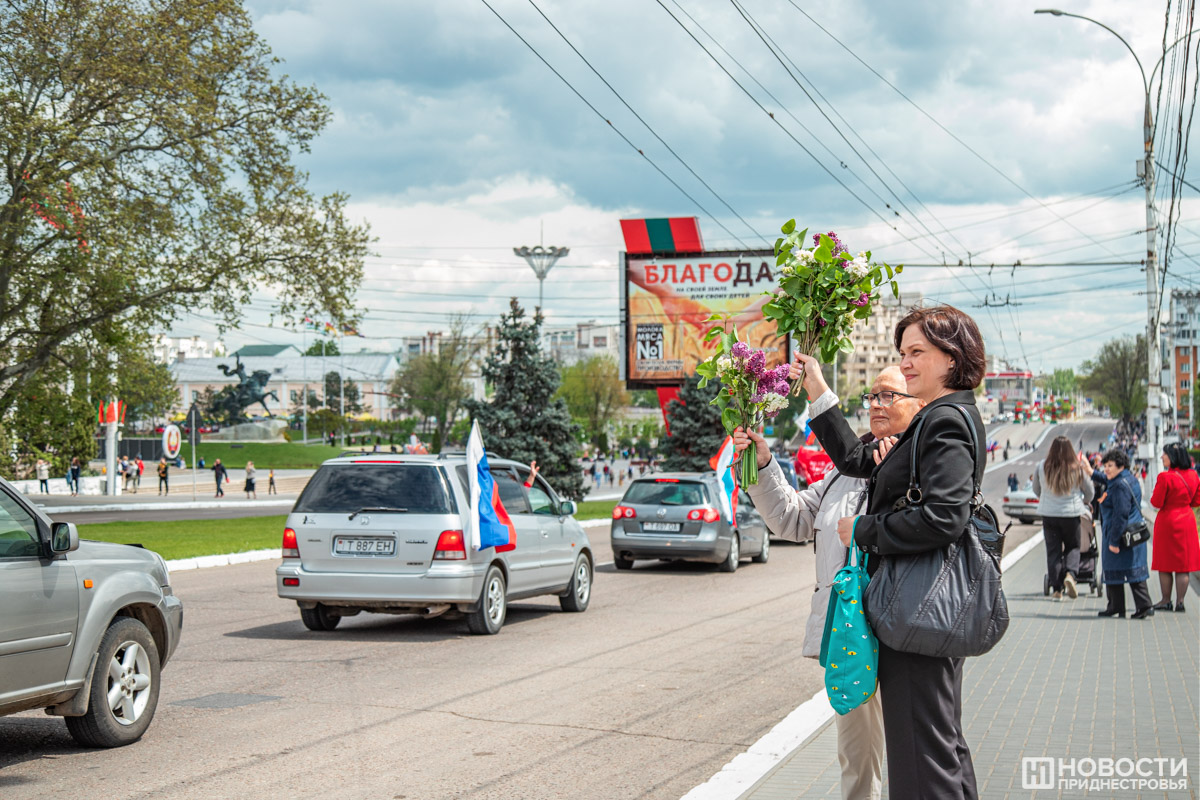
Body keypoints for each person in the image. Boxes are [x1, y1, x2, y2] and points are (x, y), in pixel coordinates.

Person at [796, 303, 987, 799]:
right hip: (919, 612)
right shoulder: (940, 419)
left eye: (916, 352)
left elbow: (946, 516)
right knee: (938, 747)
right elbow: (862, 459)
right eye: (903, 351)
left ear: (951, 357)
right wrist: (817, 384)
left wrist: (863, 529)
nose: (904, 362)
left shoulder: (944, 420)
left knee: (921, 756)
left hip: (919, 612)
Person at [733, 366, 924, 800]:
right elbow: (793, 519)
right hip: (851, 636)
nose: (876, 404)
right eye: (872, 397)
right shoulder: (845, 471)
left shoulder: (920, 464)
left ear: (919, 405)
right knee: (857, 760)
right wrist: (763, 464)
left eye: (888, 396)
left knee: (915, 755)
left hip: (901, 635)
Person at [1033, 437, 1094, 600]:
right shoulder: (1077, 469)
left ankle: (1057, 589)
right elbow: (1090, 492)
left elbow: (1036, 490)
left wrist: (1046, 499)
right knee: (1072, 547)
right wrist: (1084, 500)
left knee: (1053, 551)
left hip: (1049, 515)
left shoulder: (1042, 467)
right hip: (1071, 514)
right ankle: (1071, 575)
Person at [1095, 449, 1154, 619]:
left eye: (1110, 466)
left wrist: (1113, 541)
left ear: (1120, 466)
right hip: (1131, 534)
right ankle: (1120, 606)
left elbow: (1121, 514)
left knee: (1120, 570)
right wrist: (1090, 471)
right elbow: (1104, 478)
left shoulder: (1120, 485)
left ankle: (1132, 606)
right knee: (1131, 571)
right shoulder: (1128, 478)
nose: (1106, 469)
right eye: (1105, 466)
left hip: (1120, 535)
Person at [1148, 442, 1200, 612]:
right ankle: (1180, 602)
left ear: (1173, 457)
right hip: (1186, 521)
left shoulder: (1165, 477)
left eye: (1165, 454)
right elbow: (1197, 501)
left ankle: (1165, 600)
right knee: (1183, 565)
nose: (1162, 457)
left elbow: (1156, 502)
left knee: (1165, 564)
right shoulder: (1194, 476)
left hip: (1167, 522)